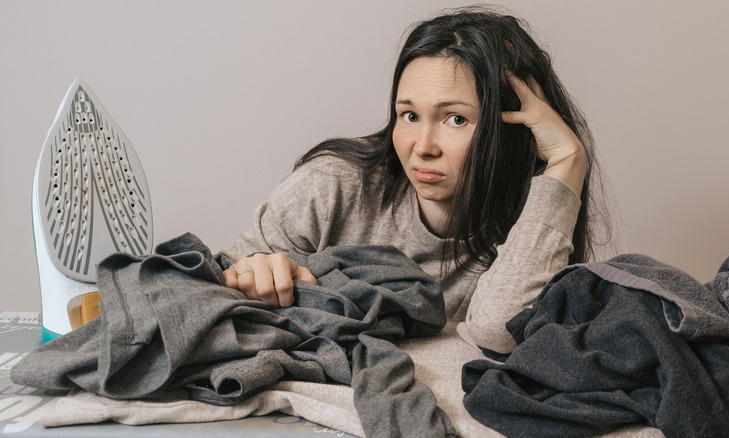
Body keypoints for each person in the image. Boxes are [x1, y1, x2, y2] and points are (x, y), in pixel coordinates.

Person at [219, 6, 608, 355]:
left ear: (514, 126)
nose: (423, 147)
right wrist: (254, 271)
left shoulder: (536, 218)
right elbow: (210, 293)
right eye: (409, 115)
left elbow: (499, 332)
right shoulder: (331, 187)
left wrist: (567, 162)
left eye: (455, 119)